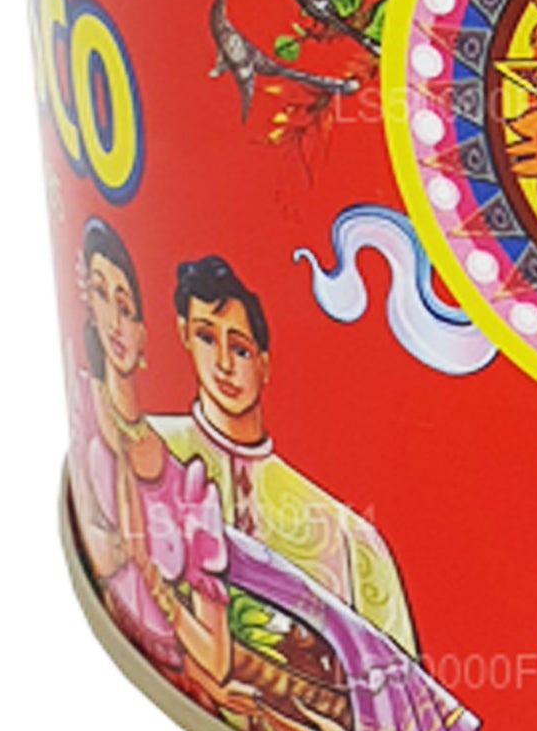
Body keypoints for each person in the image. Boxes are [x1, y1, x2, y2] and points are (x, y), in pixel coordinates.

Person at [152, 255, 416, 654]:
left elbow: (397, 678)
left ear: (264, 364)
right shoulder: (150, 447)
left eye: (240, 349)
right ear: (183, 334)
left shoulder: (347, 537)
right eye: (206, 338)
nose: (223, 364)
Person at [65, 219, 231, 700]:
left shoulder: (185, 482)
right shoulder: (83, 405)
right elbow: (102, 550)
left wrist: (156, 585)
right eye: (101, 295)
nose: (115, 323)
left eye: (126, 307)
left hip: (181, 679)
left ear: (143, 333)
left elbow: (217, 659)